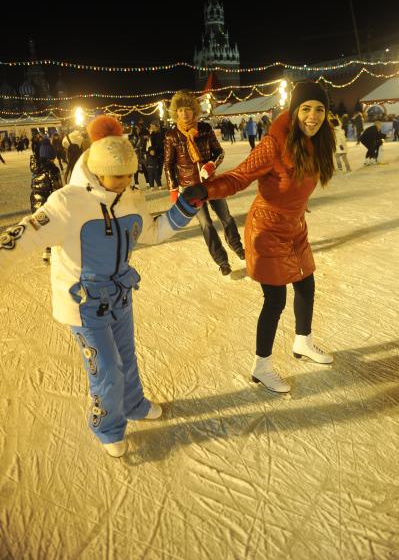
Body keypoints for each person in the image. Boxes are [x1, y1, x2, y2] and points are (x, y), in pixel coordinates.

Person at [0, 115, 199, 457]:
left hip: (119, 295)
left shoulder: (132, 197)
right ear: (97, 169)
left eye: (129, 175)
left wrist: (184, 207)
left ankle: (133, 404)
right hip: (83, 302)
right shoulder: (67, 202)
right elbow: (25, 235)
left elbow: (151, 232)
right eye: (118, 176)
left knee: (126, 357)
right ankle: (107, 425)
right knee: (106, 367)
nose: (125, 182)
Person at [182, 81, 335, 393]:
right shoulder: (274, 144)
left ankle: (303, 341)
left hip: (294, 227)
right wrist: (206, 189)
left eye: (319, 109)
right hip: (267, 229)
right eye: (306, 109)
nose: (313, 116)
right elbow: (240, 176)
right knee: (275, 299)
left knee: (306, 283)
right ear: (294, 112)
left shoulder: (320, 141)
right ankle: (261, 367)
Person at [164, 90, 245, 276]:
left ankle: (237, 247)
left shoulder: (206, 129)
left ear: (195, 111)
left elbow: (220, 152)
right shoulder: (172, 135)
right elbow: (168, 164)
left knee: (226, 217)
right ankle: (222, 261)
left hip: (211, 184)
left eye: (188, 109)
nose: (185, 113)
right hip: (191, 188)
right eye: (181, 110)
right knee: (206, 224)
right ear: (176, 112)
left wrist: (210, 165)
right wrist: (173, 189)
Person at [29, 141, 63, 264]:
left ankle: (46, 250)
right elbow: (58, 188)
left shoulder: (35, 168)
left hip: (35, 201)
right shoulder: (53, 169)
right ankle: (53, 251)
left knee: (43, 226)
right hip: (48, 202)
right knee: (53, 226)